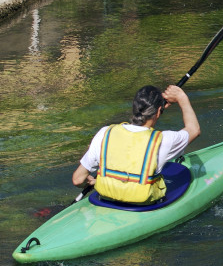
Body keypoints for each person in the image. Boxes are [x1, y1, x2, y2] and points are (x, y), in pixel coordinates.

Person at [72, 84, 201, 204]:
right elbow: (194, 129)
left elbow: (77, 179)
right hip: (144, 204)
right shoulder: (163, 140)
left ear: (134, 107)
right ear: (158, 112)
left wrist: (96, 181)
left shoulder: (105, 133)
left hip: (106, 198)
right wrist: (182, 98)